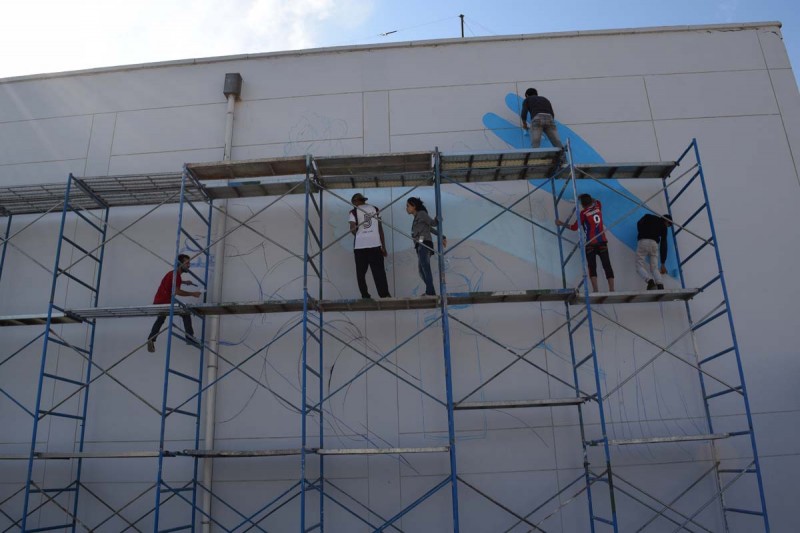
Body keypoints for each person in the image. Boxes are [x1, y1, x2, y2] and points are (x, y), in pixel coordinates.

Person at [557, 194, 615, 292]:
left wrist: (561, 223)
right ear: (591, 201)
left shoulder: (583, 213)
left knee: (592, 267)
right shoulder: (598, 207)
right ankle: (612, 289)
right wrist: (586, 197)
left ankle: (595, 290)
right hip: (602, 242)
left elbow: (574, 227)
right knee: (607, 265)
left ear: (582, 205)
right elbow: (596, 200)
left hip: (590, 243)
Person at [147, 254, 202, 353]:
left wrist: (184, 282)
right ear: (180, 264)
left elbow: (173, 283)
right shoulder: (176, 275)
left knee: (160, 319)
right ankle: (189, 337)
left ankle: (151, 338)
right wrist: (192, 294)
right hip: (166, 302)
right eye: (187, 263)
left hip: (159, 301)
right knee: (186, 313)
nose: (189, 265)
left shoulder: (173, 274)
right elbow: (177, 291)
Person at [349, 192, 391, 299]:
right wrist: (383, 246)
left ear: (356, 201)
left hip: (360, 247)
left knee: (361, 273)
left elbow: (352, 229)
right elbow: (380, 229)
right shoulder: (375, 209)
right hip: (375, 245)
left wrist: (360, 234)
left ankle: (365, 295)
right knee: (379, 272)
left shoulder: (353, 212)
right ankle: (384, 295)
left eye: (353, 203)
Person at [406, 197, 446, 297]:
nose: (406, 208)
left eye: (408, 206)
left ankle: (430, 292)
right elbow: (429, 228)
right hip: (420, 245)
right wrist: (441, 236)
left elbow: (433, 223)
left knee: (425, 268)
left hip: (424, 244)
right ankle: (430, 291)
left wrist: (437, 219)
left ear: (414, 206)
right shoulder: (417, 217)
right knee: (421, 270)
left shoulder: (421, 214)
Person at [636, 213, 673, 290]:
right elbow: (663, 244)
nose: (667, 227)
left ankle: (650, 281)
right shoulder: (663, 226)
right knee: (654, 268)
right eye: (668, 225)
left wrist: (642, 232)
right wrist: (663, 263)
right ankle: (660, 284)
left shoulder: (648, 216)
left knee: (639, 266)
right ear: (666, 221)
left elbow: (639, 223)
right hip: (654, 244)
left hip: (643, 241)